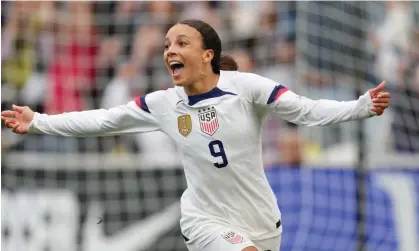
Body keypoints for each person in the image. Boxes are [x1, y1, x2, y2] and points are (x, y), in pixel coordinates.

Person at [1, 19, 391, 251]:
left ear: (208, 54)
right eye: (168, 44)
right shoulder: (163, 103)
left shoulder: (248, 87)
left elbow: (306, 110)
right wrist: (38, 121)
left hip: (261, 219)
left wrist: (359, 107)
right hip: (203, 218)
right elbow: (103, 120)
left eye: (182, 43)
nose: (170, 49)